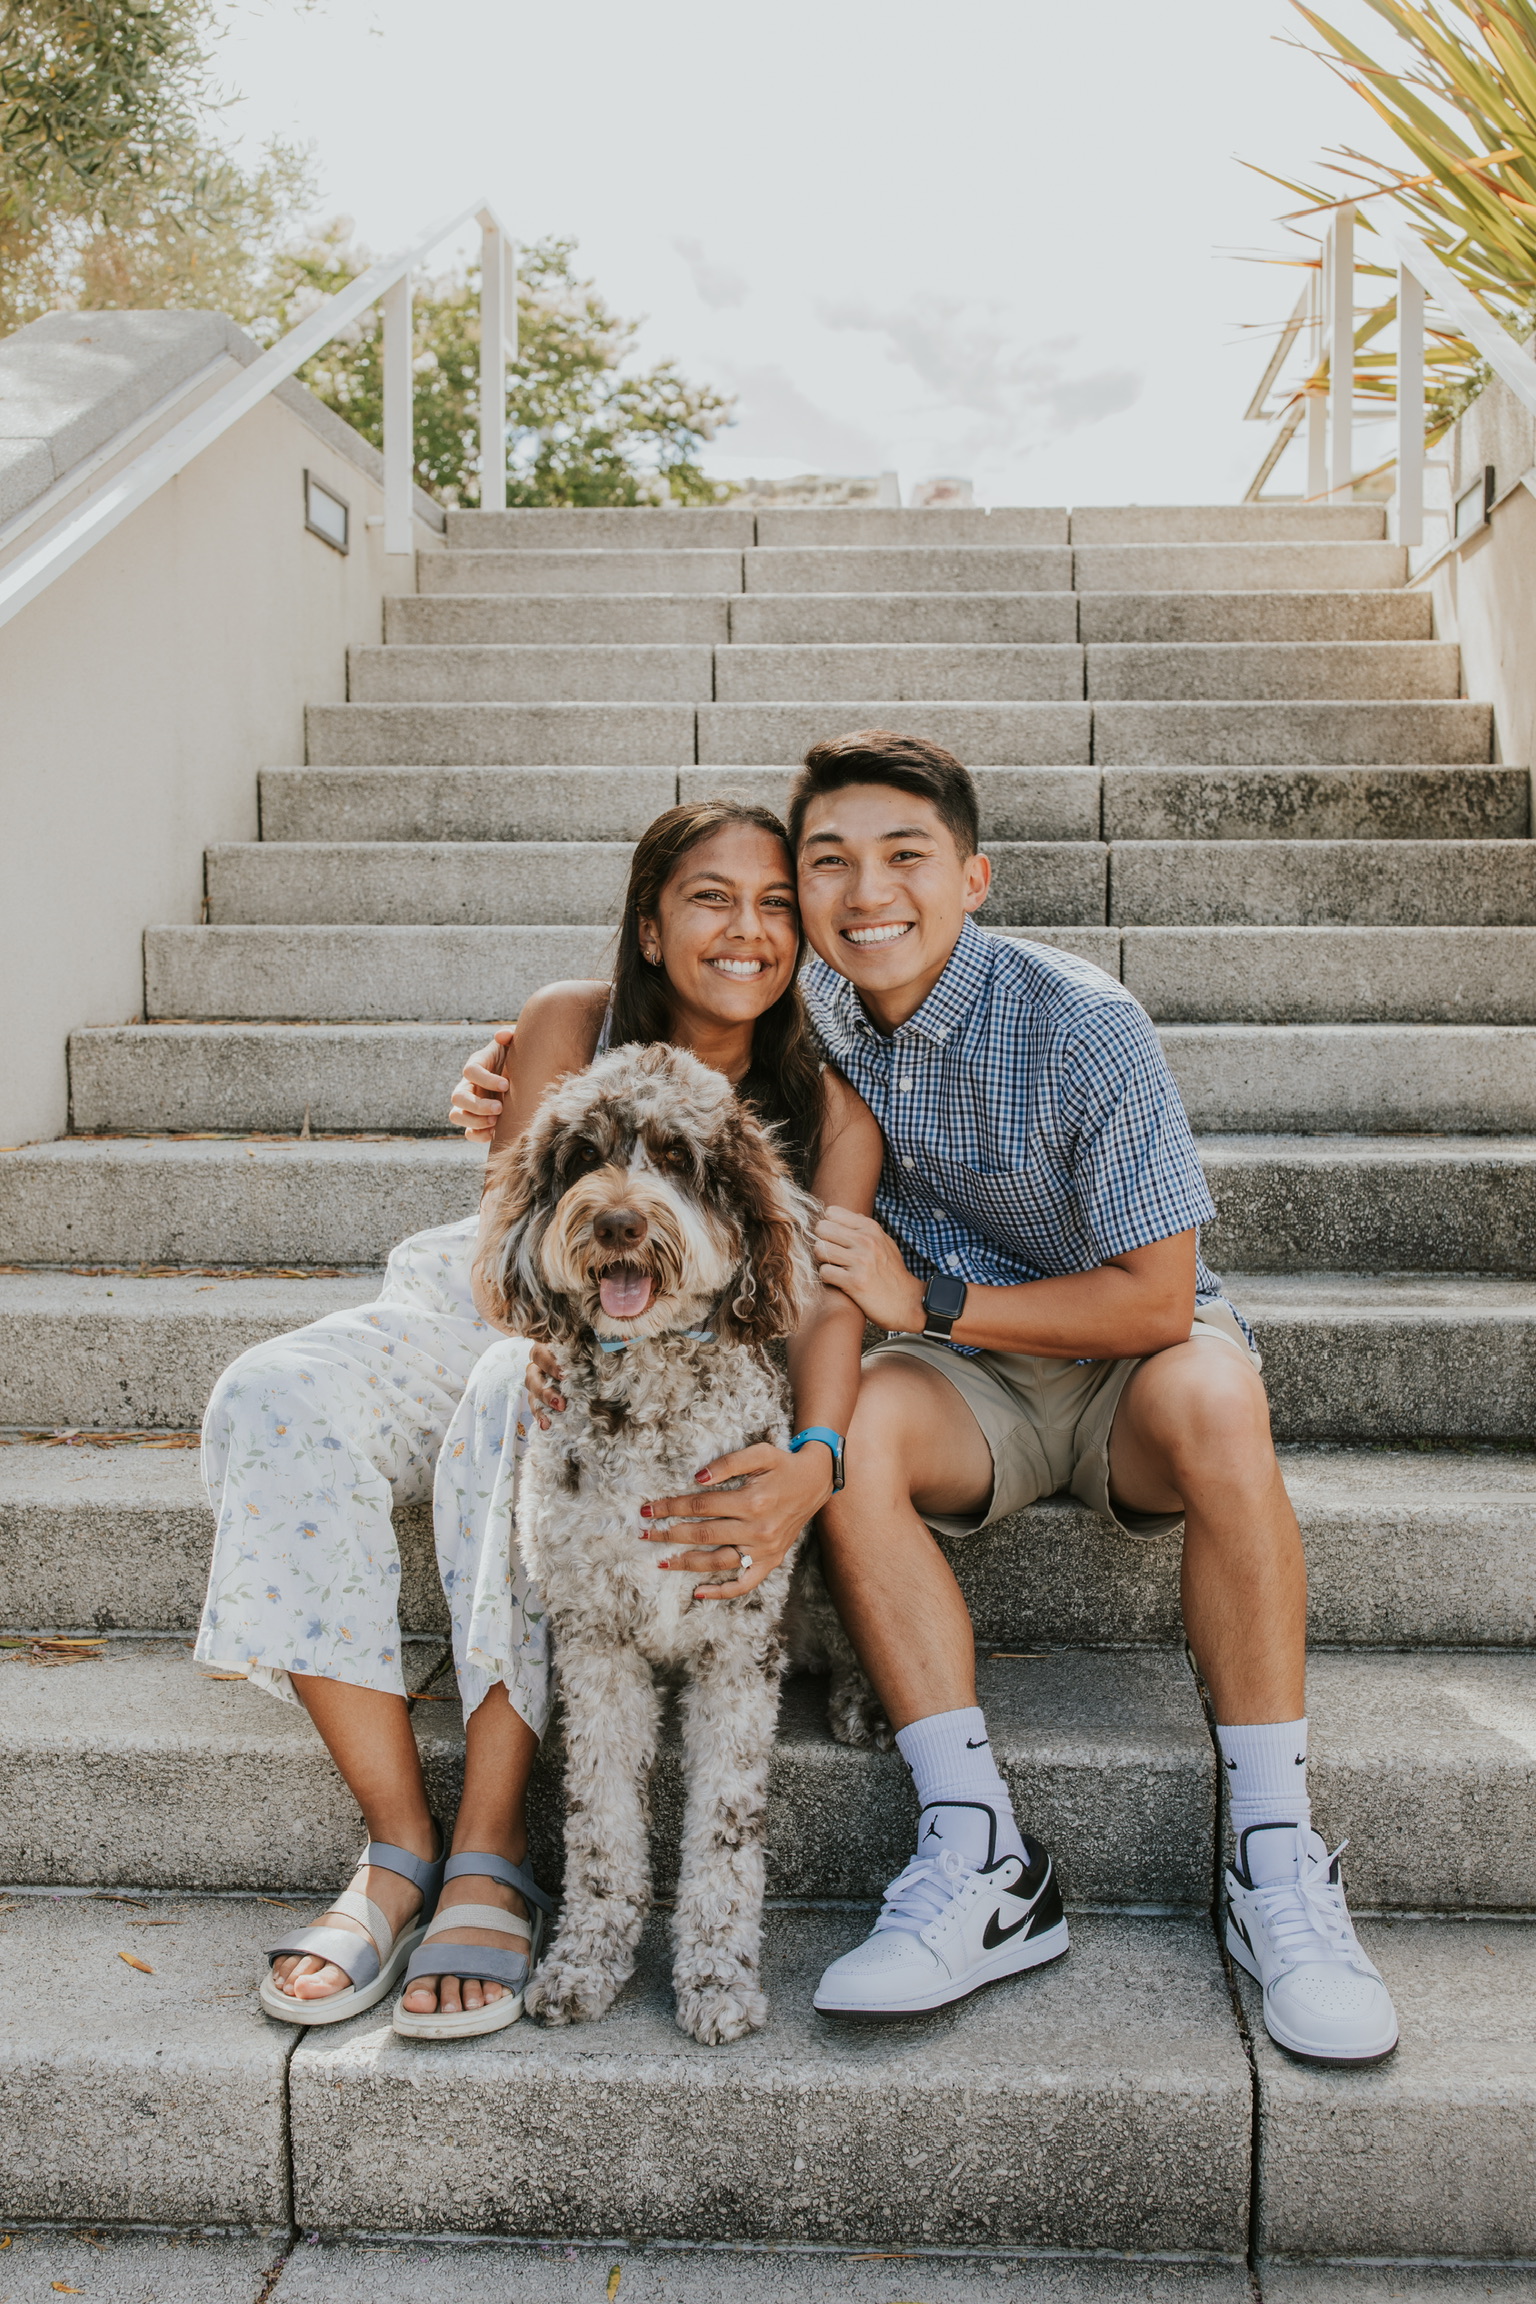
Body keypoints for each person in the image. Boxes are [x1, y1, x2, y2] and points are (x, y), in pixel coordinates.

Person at [466, 732, 1399, 2067]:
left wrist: (936, 1303)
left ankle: (1274, 1857)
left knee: (1216, 1395)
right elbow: (750, 1206)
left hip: (1120, 1369)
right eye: (826, 866)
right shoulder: (814, 1018)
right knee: (857, 1429)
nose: (863, 894)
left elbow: (1155, 1298)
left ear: (975, 877)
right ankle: (980, 1854)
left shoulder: (1085, 1023)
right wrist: (816, 1445)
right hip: (959, 1394)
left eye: (903, 859)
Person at [197, 799, 881, 2036]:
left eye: (779, 903)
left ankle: (489, 1845)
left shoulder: (826, 1106)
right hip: (493, 1312)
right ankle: (399, 1843)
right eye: (711, 898)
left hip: (634, 1363)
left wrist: (817, 1459)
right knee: (275, 1394)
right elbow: (511, 1247)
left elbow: (822, 1305)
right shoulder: (570, 1021)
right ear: (652, 926)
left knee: (536, 1393)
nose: (749, 929)